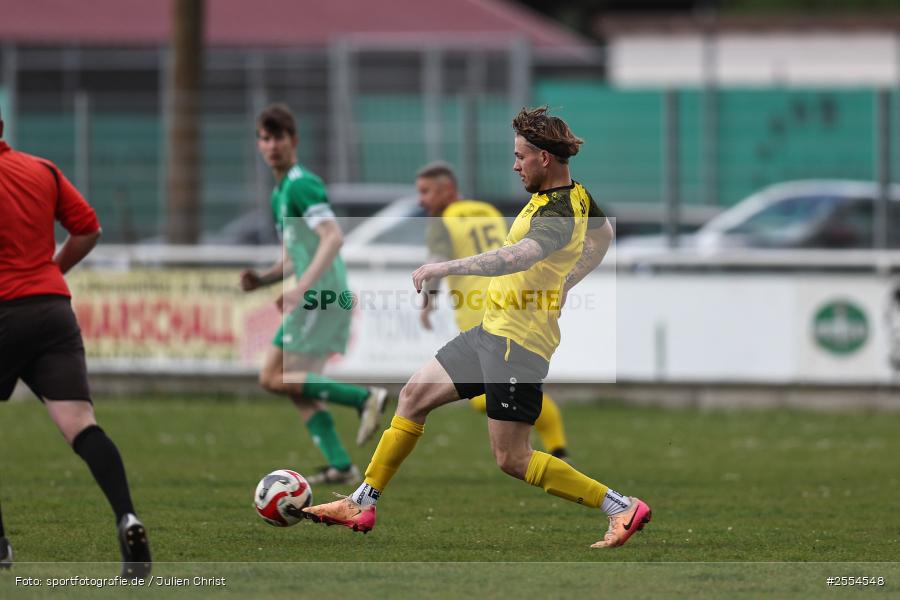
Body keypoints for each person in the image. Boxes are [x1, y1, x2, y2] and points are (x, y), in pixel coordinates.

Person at [304, 107, 651, 549]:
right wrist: (568, 279)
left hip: (516, 343)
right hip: (491, 331)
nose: (515, 165)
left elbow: (518, 257)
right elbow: (602, 237)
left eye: (520, 156)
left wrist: (445, 266)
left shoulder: (560, 210)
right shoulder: (576, 195)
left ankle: (620, 506)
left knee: (512, 458)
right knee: (412, 397)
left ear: (544, 158)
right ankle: (361, 502)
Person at [0, 110, 151, 576]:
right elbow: (88, 229)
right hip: (52, 312)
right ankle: (128, 516)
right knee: (82, 426)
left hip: (4, 311)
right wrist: (50, 273)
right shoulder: (42, 169)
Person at [240, 104, 387, 486]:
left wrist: (301, 289)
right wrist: (264, 279)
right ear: (259, 144)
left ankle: (363, 399)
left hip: (318, 295)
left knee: (273, 376)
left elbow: (332, 237)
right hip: (317, 293)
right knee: (297, 385)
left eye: (279, 137)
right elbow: (294, 255)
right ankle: (341, 465)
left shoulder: (301, 184)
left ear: (294, 140)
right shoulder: (280, 193)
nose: (272, 145)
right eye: (265, 138)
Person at [416, 161, 572, 461]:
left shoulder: (443, 220)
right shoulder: (487, 211)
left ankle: (547, 450)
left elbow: (437, 261)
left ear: (447, 190)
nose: (422, 200)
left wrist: (428, 302)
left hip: (479, 312)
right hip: (509, 298)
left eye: (426, 191)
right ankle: (558, 448)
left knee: (482, 394)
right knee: (506, 386)